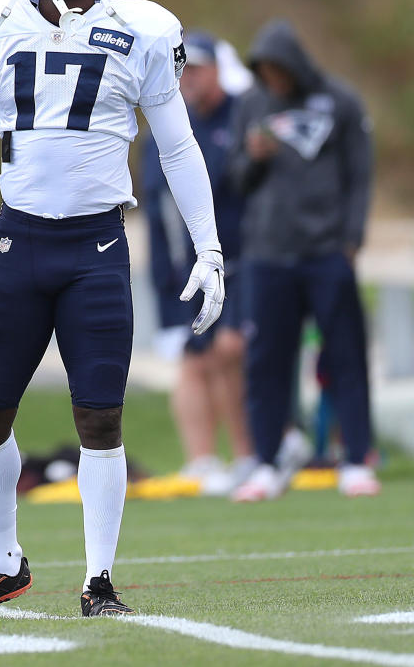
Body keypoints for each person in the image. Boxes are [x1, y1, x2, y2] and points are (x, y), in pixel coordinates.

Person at [0, 0, 224, 620]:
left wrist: (209, 246)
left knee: (100, 417)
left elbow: (178, 147)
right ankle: (3, 561)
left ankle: (98, 581)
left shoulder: (145, 29)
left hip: (95, 245)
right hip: (16, 240)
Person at [227, 18, 378, 501]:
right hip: (267, 254)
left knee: (345, 356)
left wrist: (351, 240)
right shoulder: (252, 103)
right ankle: (268, 461)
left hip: (326, 252)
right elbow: (234, 179)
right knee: (266, 361)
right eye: (264, 71)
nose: (273, 79)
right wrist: (254, 157)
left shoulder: (340, 101)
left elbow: (360, 175)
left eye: (279, 69)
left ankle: (356, 458)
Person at [142, 32, 255, 495]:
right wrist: (165, 272)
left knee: (230, 353)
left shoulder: (243, 116)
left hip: (242, 260)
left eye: (199, 68)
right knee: (194, 360)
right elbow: (159, 207)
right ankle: (202, 460)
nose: (190, 78)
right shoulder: (168, 125)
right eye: (184, 68)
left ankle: (249, 454)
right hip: (182, 265)